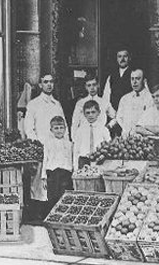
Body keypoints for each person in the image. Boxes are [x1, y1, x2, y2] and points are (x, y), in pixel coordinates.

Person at [23, 74, 65, 218]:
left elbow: (63, 126)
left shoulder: (57, 104)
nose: (49, 85)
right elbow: (28, 127)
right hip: (40, 148)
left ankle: (51, 213)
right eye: (45, 82)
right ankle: (37, 215)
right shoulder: (33, 104)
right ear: (40, 85)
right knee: (38, 183)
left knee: (53, 182)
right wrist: (36, 143)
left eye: (51, 82)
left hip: (55, 149)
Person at [42, 116, 73, 212]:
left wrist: (72, 171)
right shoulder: (48, 143)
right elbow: (45, 159)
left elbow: (71, 159)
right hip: (52, 173)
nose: (59, 131)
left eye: (61, 128)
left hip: (65, 173)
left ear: (65, 129)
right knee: (52, 196)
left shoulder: (69, 144)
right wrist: (44, 177)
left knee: (64, 196)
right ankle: (52, 215)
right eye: (56, 128)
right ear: (51, 130)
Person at [132, 83, 159, 157]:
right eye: (153, 97)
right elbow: (137, 128)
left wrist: (145, 127)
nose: (155, 99)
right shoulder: (150, 110)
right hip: (147, 145)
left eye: (158, 96)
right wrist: (151, 132)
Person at [72, 100, 110, 169]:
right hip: (83, 160)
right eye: (88, 113)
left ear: (98, 112)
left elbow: (108, 147)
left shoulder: (103, 129)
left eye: (93, 112)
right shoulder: (80, 130)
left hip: (98, 159)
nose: (90, 115)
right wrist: (75, 168)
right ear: (84, 114)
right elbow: (76, 150)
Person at [115, 69, 152, 135]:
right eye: (132, 79)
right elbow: (119, 117)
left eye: (138, 79)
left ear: (144, 80)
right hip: (126, 139)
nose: (134, 82)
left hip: (144, 139)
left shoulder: (150, 98)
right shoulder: (125, 99)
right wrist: (126, 129)